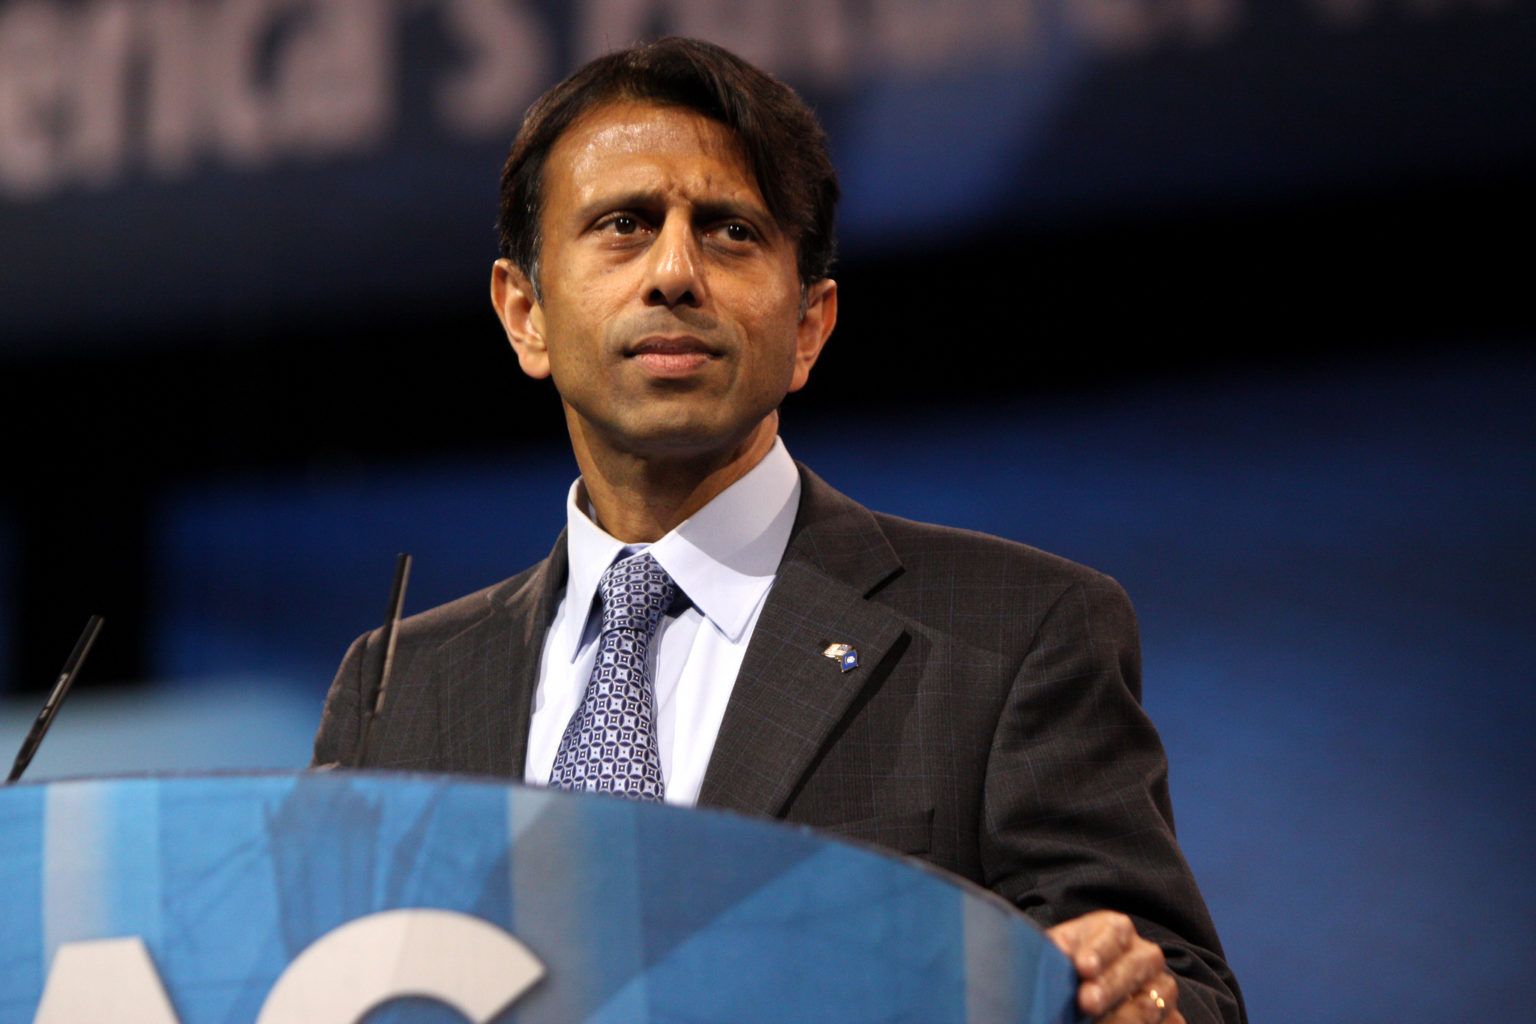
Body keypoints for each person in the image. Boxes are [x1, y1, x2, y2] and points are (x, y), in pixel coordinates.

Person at [312, 36, 1244, 1024]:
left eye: (730, 232)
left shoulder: (1017, 634)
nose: (675, 273)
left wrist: (1135, 1003)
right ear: (524, 313)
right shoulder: (398, 688)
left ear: (809, 326)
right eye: (624, 225)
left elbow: (1174, 989)